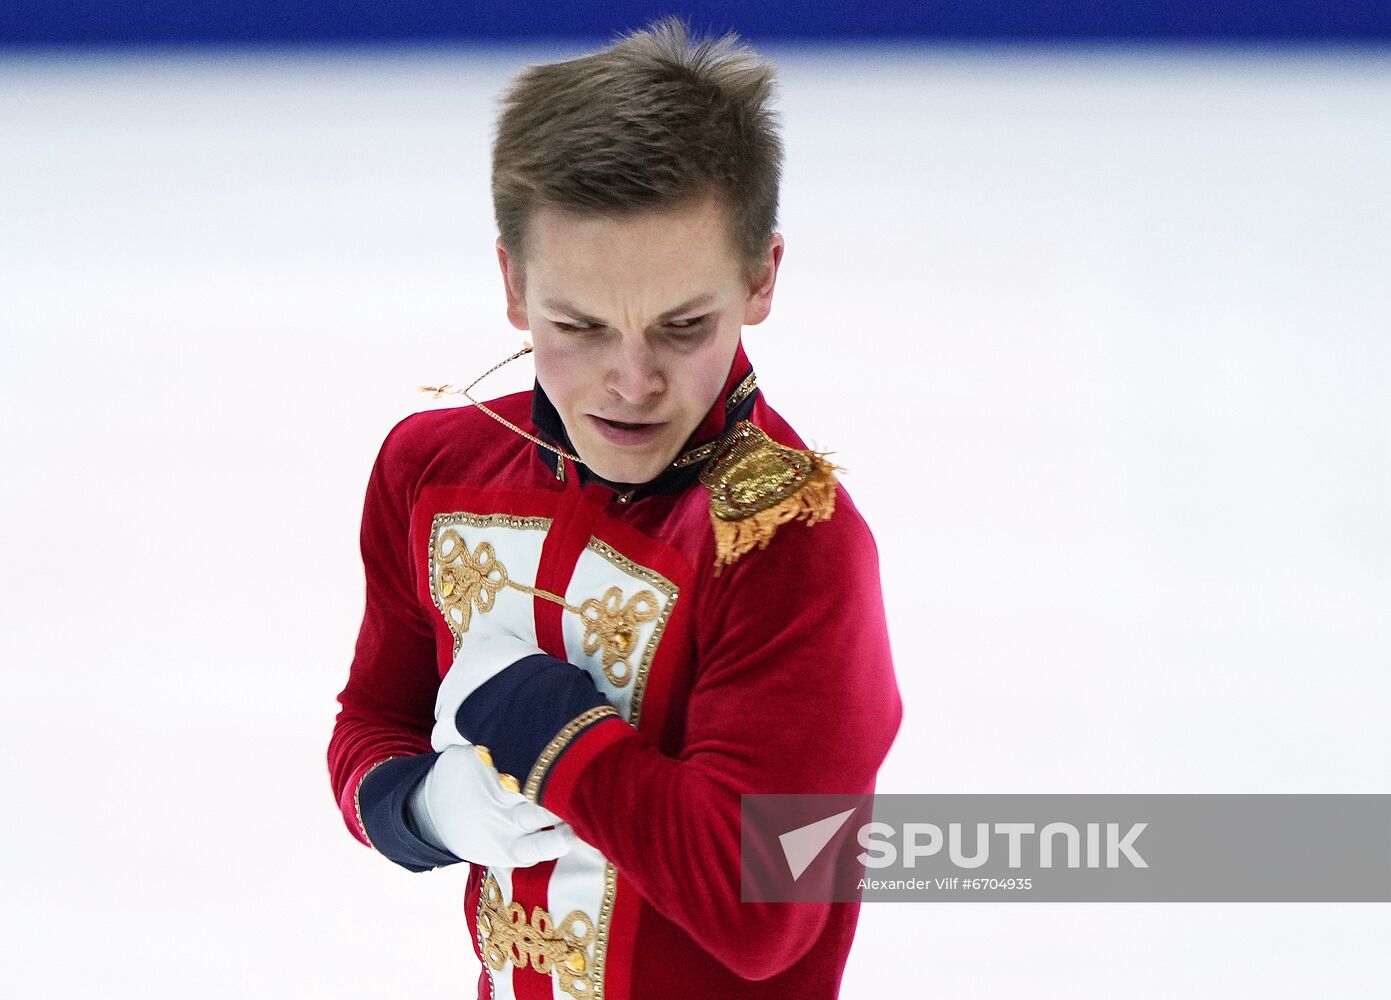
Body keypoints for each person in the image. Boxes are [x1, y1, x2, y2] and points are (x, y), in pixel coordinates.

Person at [326, 15, 902, 999]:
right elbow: (375, 718)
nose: (630, 383)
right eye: (580, 325)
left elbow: (761, 911)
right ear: (514, 285)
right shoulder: (430, 467)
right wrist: (418, 810)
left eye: (682, 326)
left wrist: (541, 724)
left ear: (760, 277)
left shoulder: (790, 543)